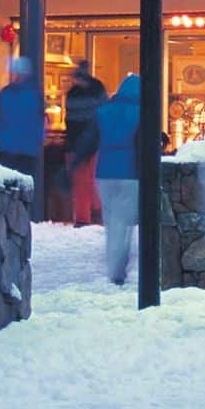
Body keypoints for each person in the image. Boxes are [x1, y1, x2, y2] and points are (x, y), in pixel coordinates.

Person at [94, 72, 140, 285]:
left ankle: (113, 267)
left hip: (104, 171)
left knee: (111, 221)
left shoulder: (103, 112)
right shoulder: (142, 112)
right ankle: (118, 270)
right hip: (129, 172)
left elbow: (90, 139)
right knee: (124, 222)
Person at [65, 59, 107, 227]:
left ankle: (84, 217)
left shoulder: (73, 93)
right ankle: (96, 213)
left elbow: (70, 120)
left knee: (81, 181)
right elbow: (103, 114)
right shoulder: (98, 88)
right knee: (93, 179)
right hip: (95, 142)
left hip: (77, 144)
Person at [0, 56, 44, 180]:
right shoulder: (34, 93)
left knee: (9, 183)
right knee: (26, 183)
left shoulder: (6, 93)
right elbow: (39, 119)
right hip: (27, 148)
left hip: (8, 146)